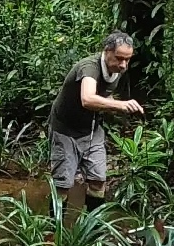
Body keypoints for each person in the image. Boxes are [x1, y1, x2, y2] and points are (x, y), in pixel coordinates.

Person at [49, 31, 144, 214]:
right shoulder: (89, 67)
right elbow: (88, 99)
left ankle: (92, 229)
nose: (123, 65)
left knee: (98, 180)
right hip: (65, 130)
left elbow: (104, 96)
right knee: (63, 184)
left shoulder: (116, 70)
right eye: (119, 58)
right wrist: (120, 105)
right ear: (106, 51)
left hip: (92, 129)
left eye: (127, 60)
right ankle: (53, 234)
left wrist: (123, 110)